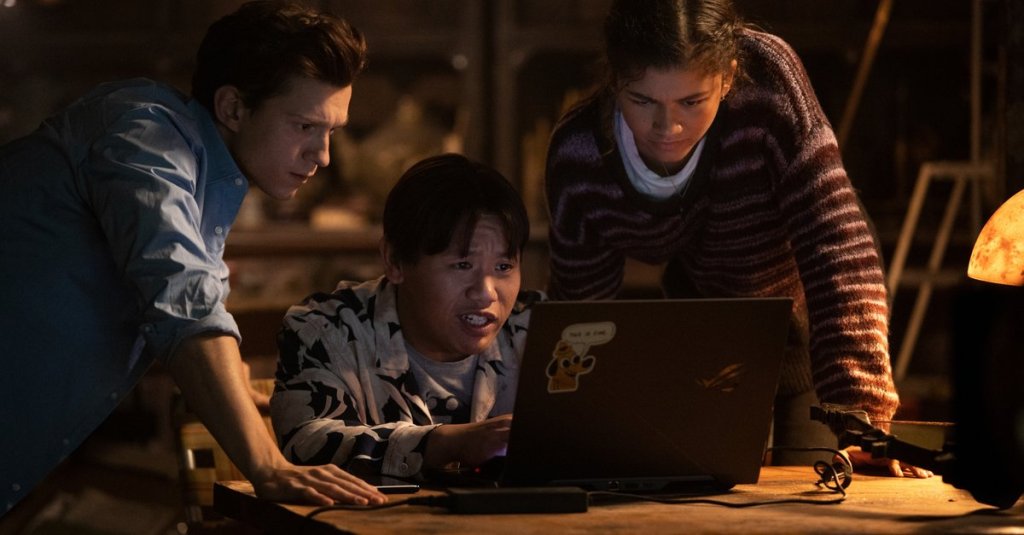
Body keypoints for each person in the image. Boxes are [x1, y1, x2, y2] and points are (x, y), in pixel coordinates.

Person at [0, 1, 388, 514]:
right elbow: (183, 299)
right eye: (304, 127)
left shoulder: (209, 179)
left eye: (331, 132)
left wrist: (236, 393)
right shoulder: (144, 136)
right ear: (232, 108)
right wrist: (268, 466)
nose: (323, 155)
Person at [543, 0, 930, 477]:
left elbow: (835, 247)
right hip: (710, 324)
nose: (668, 129)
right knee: (697, 485)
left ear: (727, 78)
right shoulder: (581, 156)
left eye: (691, 101)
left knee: (814, 485)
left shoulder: (767, 83)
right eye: (642, 101)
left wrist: (862, 421)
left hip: (814, 316)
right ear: (614, 79)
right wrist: (573, 433)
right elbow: (582, 318)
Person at [271, 153, 544, 479]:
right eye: (462, 265)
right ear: (396, 261)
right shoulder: (327, 330)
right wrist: (443, 443)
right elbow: (306, 444)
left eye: (503, 267)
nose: (486, 293)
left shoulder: (544, 332)